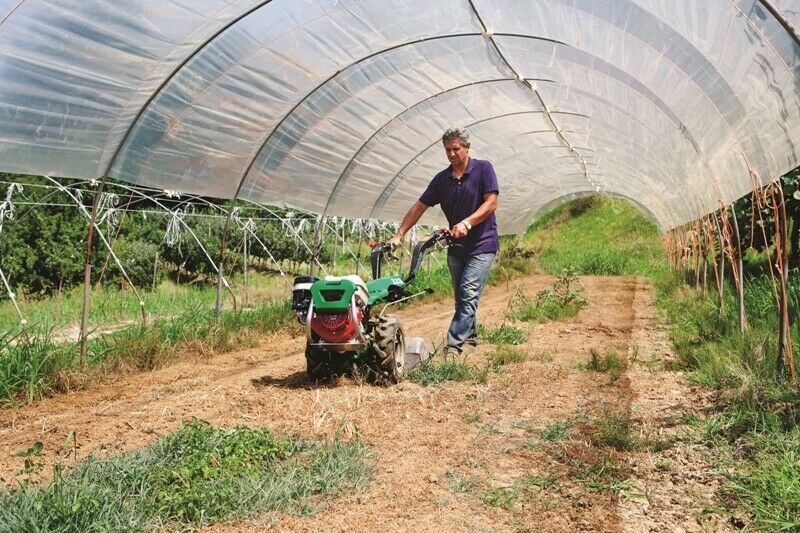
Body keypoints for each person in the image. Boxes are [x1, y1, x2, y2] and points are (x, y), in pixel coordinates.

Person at [388, 128, 499, 355]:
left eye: (456, 149)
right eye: (447, 150)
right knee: (461, 297)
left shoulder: (483, 169)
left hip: (483, 244)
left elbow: (491, 203)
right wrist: (399, 234)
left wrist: (467, 223)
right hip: (456, 246)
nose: (451, 154)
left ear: (467, 148)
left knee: (468, 292)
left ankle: (453, 345)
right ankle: (471, 340)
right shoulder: (442, 180)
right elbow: (419, 207)